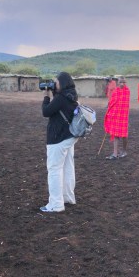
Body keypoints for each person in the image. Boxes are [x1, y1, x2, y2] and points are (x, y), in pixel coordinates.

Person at [40, 72, 79, 213]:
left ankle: (56, 204)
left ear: (62, 83)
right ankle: (68, 197)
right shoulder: (71, 95)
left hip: (58, 138)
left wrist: (46, 97)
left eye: (56, 82)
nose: (53, 84)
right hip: (69, 137)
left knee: (54, 170)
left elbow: (46, 112)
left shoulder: (61, 98)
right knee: (68, 167)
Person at [105, 77, 130, 159]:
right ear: (118, 83)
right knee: (116, 134)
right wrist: (110, 112)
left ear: (125, 82)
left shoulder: (127, 91)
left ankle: (124, 151)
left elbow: (125, 104)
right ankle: (115, 154)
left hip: (124, 116)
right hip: (116, 115)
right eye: (120, 82)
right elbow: (112, 103)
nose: (122, 84)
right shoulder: (115, 91)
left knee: (124, 135)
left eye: (123, 82)